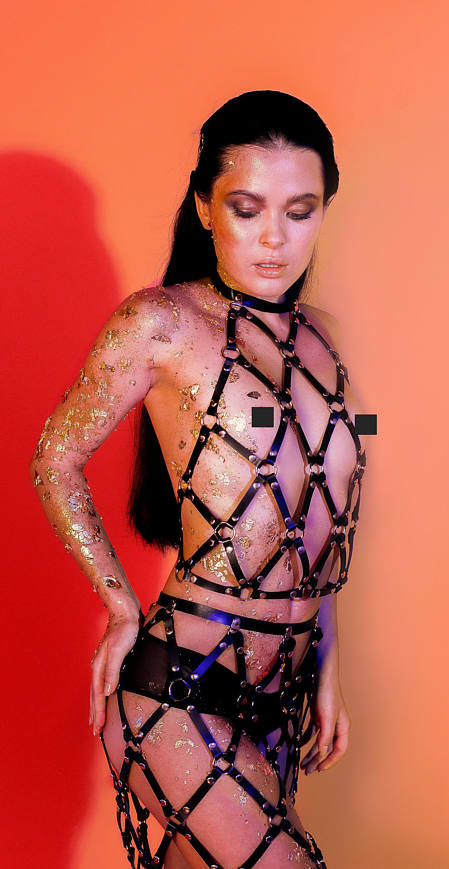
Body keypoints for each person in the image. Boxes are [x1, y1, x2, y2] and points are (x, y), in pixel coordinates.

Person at [29, 89, 367, 869]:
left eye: (301, 210)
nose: (275, 238)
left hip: (282, 697)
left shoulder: (327, 342)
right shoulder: (162, 322)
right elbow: (55, 455)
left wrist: (328, 669)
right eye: (247, 209)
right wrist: (120, 602)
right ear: (205, 208)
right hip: (179, 691)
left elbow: (321, 519)